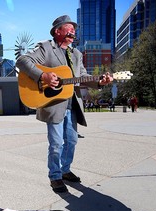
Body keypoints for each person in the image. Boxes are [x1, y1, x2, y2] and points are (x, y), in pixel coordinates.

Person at [16, 15, 113, 193]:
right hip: (54, 104)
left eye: (74, 29)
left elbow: (82, 77)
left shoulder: (76, 54)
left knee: (72, 141)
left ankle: (65, 170)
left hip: (72, 104)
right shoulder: (46, 48)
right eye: (68, 28)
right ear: (57, 31)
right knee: (56, 144)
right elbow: (23, 61)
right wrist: (42, 75)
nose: (72, 31)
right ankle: (55, 176)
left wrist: (100, 82)